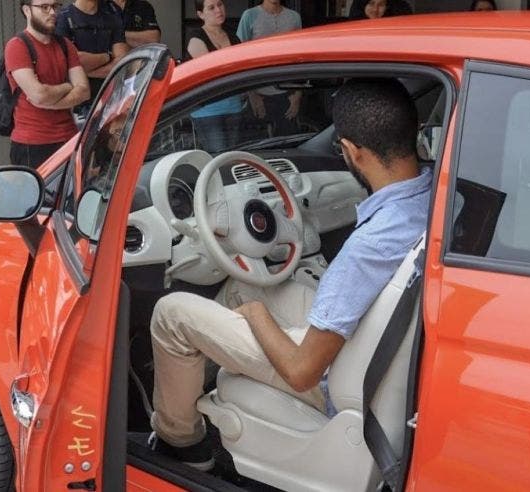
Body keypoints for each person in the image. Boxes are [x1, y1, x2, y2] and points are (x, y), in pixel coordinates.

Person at [147, 78, 432, 470]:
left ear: (350, 151)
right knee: (244, 283)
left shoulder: (369, 247)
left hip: (332, 376)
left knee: (171, 313)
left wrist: (260, 319)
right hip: (371, 343)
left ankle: (182, 443)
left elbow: (302, 372)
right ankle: (196, 372)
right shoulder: (430, 196)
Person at [5, 0, 89, 169]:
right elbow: (39, 95)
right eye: (44, 7)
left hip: (69, 139)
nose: (52, 12)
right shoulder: (17, 46)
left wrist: (51, 103)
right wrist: (67, 86)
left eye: (56, 6)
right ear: (27, 10)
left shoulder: (66, 45)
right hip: (32, 144)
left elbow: (84, 90)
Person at [186, 0, 245, 153]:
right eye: (211, 8)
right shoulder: (196, 37)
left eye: (220, 5)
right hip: (207, 110)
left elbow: (242, 70)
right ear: (200, 14)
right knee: (218, 159)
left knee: (234, 157)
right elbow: (211, 73)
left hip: (234, 106)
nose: (218, 10)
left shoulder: (233, 36)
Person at [237, 0, 302, 137]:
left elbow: (299, 58)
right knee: (259, 148)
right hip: (260, 92)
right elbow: (241, 58)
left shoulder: (294, 17)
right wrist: (252, 95)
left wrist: (298, 94)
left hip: (288, 92)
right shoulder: (249, 16)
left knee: (287, 144)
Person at [56, 0, 129, 108]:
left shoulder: (112, 15)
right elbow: (75, 60)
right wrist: (108, 57)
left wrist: (83, 71)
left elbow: (123, 64)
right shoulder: (63, 18)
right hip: (78, 106)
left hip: (112, 102)